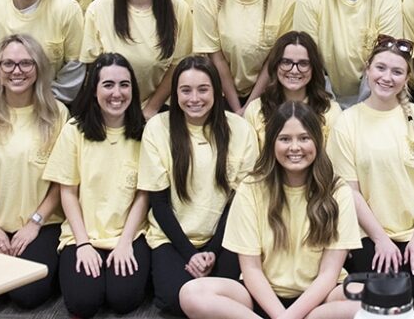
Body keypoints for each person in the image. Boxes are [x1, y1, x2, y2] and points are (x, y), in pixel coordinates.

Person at [179, 101, 362, 319]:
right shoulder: (250, 188)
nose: (295, 147)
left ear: (317, 140)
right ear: (272, 143)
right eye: (285, 139)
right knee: (192, 293)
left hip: (320, 299)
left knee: (378, 302)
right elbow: (251, 270)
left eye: (304, 138)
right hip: (261, 295)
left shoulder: (338, 191)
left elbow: (328, 274)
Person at [329, 35, 414, 308]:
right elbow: (349, 191)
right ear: (367, 69)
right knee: (381, 293)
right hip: (370, 230)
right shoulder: (346, 122)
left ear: (406, 78)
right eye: (380, 68)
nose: (387, 77)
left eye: (397, 71)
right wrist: (380, 239)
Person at [138, 55, 259, 315]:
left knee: (238, 293)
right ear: (175, 93)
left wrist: (213, 250)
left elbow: (240, 202)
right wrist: (191, 254)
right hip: (173, 238)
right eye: (186, 90)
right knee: (174, 300)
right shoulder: (157, 128)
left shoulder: (240, 129)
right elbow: (159, 203)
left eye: (203, 89)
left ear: (217, 91)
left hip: (225, 237)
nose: (194, 98)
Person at [0, 34, 67, 309]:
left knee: (27, 296)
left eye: (26, 63)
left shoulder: (57, 114)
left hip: (41, 222)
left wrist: (34, 224)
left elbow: (62, 181)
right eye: (7, 64)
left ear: (38, 67)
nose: (16, 71)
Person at [43, 53, 150, 318]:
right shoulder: (74, 130)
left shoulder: (146, 132)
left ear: (133, 90)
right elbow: (68, 192)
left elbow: (144, 194)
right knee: (83, 302)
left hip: (129, 234)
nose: (117, 93)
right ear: (94, 90)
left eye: (124, 85)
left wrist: (125, 242)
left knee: (123, 300)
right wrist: (83, 244)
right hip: (82, 234)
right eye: (108, 85)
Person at [82, 0, 193, 119]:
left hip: (158, 110)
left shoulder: (178, 8)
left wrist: (150, 109)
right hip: (109, 107)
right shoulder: (99, 8)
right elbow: (92, 69)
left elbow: (178, 66)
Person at [194, 0, 297, 114]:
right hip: (222, 93)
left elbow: (274, 59)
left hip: (270, 91)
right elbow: (217, 59)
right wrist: (237, 109)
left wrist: (249, 107)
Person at [243, 31, 341, 147]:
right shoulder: (255, 110)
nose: (294, 70)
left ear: (313, 68)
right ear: (275, 65)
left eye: (303, 63)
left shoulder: (330, 111)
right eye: (286, 62)